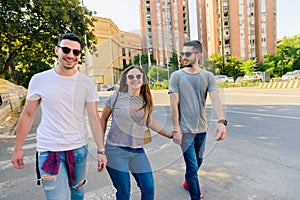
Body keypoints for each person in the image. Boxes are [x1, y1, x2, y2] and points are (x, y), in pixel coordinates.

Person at [11, 33, 107, 199]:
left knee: (78, 192)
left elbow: (93, 118)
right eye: (66, 49)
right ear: (57, 50)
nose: (70, 55)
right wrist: (18, 148)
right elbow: (27, 115)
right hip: (49, 151)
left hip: (78, 150)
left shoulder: (86, 83)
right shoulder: (39, 79)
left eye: (76, 52)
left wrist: (101, 150)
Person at [101, 65, 173, 200]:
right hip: (115, 151)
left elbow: (149, 122)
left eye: (138, 76)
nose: (135, 79)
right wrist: (101, 149)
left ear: (143, 79)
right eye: (131, 77)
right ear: (126, 80)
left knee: (148, 188)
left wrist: (169, 134)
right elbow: (103, 120)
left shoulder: (146, 101)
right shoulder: (116, 97)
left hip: (137, 151)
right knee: (124, 192)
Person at [168, 40, 227, 200]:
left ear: (198, 55)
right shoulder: (176, 76)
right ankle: (195, 194)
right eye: (182, 53)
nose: (184, 57)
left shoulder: (208, 76)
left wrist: (222, 122)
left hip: (202, 129)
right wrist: (176, 129)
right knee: (192, 167)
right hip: (185, 131)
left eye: (188, 54)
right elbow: (174, 105)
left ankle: (188, 181)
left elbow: (215, 99)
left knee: (199, 162)